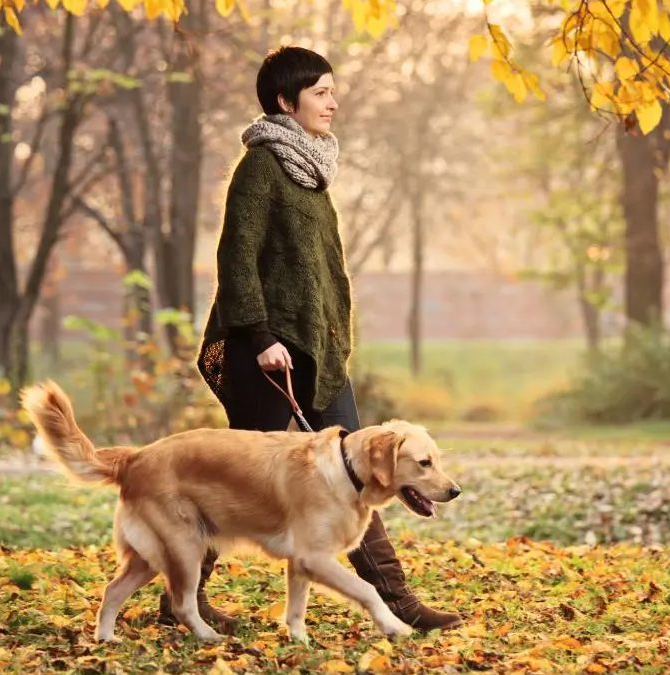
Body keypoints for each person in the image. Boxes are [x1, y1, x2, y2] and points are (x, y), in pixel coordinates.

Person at [158, 45, 462, 633]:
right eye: (320, 92)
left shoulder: (313, 169)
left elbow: (318, 272)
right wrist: (262, 335)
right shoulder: (261, 167)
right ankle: (180, 604)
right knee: (234, 479)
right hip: (267, 354)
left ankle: (395, 600)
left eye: (331, 90)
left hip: (318, 354)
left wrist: (332, 339)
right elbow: (237, 260)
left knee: (365, 471)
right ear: (284, 100)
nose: (333, 101)